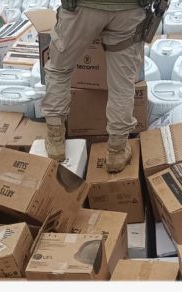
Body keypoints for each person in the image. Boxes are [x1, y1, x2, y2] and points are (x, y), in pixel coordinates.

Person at [42, 0, 146, 173]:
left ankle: (55, 140)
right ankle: (117, 150)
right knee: (122, 83)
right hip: (128, 10)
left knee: (59, 70)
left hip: (83, 8)